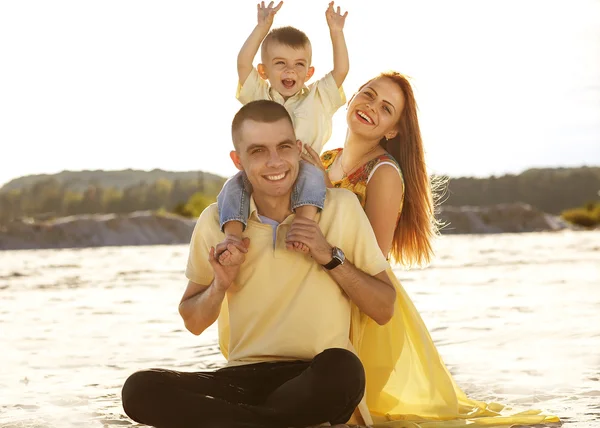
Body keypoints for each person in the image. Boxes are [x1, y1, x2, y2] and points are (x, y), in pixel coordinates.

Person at [295, 71, 561, 426]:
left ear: (391, 131)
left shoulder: (383, 172)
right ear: (354, 94)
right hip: (322, 295)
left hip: (360, 311)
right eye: (369, 95)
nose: (371, 107)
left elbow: (372, 256)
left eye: (385, 108)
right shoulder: (327, 158)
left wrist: (324, 185)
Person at [121, 100, 398, 428]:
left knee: (345, 369)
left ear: (298, 148)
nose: (275, 161)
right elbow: (193, 321)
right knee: (141, 388)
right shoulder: (216, 222)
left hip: (315, 375)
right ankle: (267, 423)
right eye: (258, 151)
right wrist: (219, 285)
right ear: (237, 160)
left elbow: (383, 308)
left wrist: (328, 255)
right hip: (241, 380)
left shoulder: (342, 208)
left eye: (283, 147)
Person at [217, 1, 349, 255]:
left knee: (311, 178)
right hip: (266, 170)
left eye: (299, 64)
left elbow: (341, 69)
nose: (291, 70)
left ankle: (304, 226)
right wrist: (261, 28)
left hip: (305, 166)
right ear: (264, 71)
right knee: (232, 187)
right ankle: (233, 236)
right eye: (280, 63)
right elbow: (243, 63)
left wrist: (336, 32)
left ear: (309, 72)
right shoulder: (259, 96)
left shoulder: (319, 97)